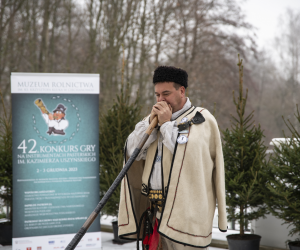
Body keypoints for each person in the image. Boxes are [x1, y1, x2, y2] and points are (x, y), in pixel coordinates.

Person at [118, 66, 227, 249]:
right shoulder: (153, 120)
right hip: (156, 214)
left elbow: (189, 155)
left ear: (181, 90)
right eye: (157, 95)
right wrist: (149, 127)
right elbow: (131, 150)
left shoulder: (201, 119)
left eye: (166, 93)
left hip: (186, 217)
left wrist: (167, 124)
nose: (161, 100)